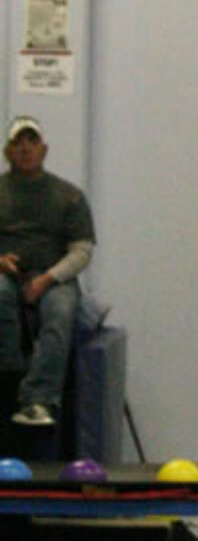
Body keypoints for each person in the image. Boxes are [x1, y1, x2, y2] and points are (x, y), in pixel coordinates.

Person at [0, 116, 96, 431]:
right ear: (7, 152)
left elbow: (81, 252)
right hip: (7, 274)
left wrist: (46, 280)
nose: (25, 148)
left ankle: (38, 399)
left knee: (60, 311)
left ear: (44, 149)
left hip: (55, 277)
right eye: (18, 143)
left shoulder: (69, 196)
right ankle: (9, 380)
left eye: (32, 141)